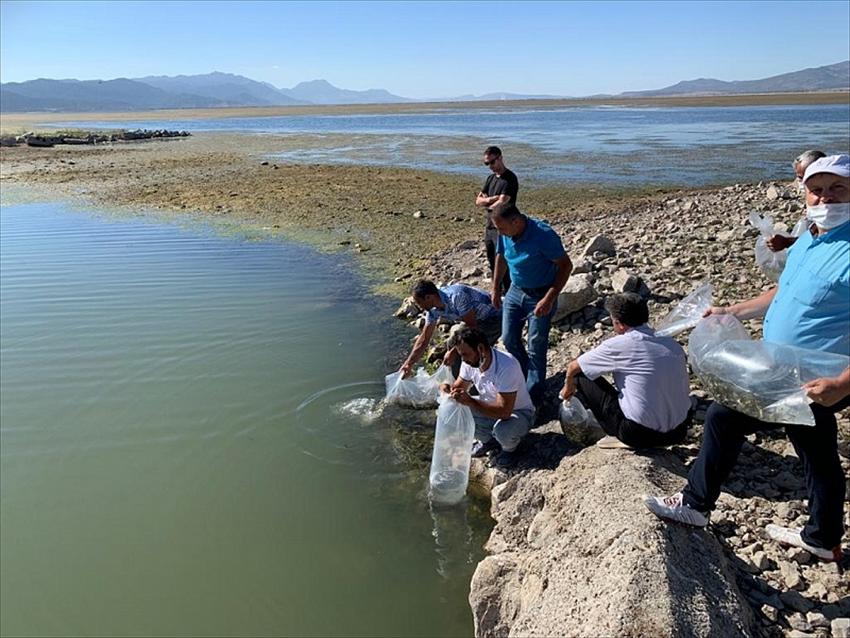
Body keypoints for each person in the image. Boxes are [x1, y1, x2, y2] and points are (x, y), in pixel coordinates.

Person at [645, 154, 850, 562]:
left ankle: (695, 504)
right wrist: (732, 311)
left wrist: (843, 384)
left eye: (837, 189)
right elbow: (785, 292)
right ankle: (822, 538)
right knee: (816, 449)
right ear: (806, 194)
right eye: (817, 190)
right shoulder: (811, 235)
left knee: (725, 417)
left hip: (818, 373)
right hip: (786, 364)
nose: (825, 198)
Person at [559, 293, 692, 450]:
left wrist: (568, 387)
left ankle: (618, 435)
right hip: (679, 431)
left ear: (619, 323)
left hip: (638, 434)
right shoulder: (671, 343)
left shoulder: (620, 344)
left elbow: (574, 367)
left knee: (581, 375)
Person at [490, 203, 572, 406]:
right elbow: (500, 256)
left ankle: (533, 398)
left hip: (541, 294)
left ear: (516, 221)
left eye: (501, 228)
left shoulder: (543, 235)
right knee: (509, 339)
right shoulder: (505, 233)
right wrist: (495, 286)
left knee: (536, 345)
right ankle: (526, 379)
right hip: (515, 291)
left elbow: (566, 265)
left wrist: (549, 298)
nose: (499, 233)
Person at [440, 326, 535, 469]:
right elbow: (459, 387)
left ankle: (509, 449)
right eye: (461, 355)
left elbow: (505, 412)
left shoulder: (506, 366)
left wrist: (471, 401)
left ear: (480, 349)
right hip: (491, 406)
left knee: (503, 431)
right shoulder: (470, 363)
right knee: (456, 406)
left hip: (518, 413)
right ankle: (487, 441)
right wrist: (448, 389)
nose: (463, 360)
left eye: (465, 354)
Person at [399, 280, 501, 379]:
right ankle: (458, 380)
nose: (419, 307)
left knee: (468, 348)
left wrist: (454, 351)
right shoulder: (433, 310)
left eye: (419, 302)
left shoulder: (456, 297)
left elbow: (472, 326)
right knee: (452, 343)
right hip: (475, 320)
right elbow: (424, 339)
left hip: (493, 318)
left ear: (428, 297)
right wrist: (409, 364)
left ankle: (475, 382)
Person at [475, 146, 518, 293]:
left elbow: (503, 202)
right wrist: (492, 199)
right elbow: (478, 201)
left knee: (503, 261)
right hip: (490, 226)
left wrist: (488, 202)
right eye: (487, 164)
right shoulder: (491, 179)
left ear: (500, 158)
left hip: (504, 227)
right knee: (492, 260)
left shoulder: (510, 179)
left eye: (492, 162)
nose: (490, 166)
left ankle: (509, 292)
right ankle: (497, 292)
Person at [766, 149, 826, 252]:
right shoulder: (814, 200)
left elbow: (825, 241)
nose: (803, 182)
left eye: (808, 176)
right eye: (799, 178)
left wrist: (787, 242)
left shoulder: (832, 203)